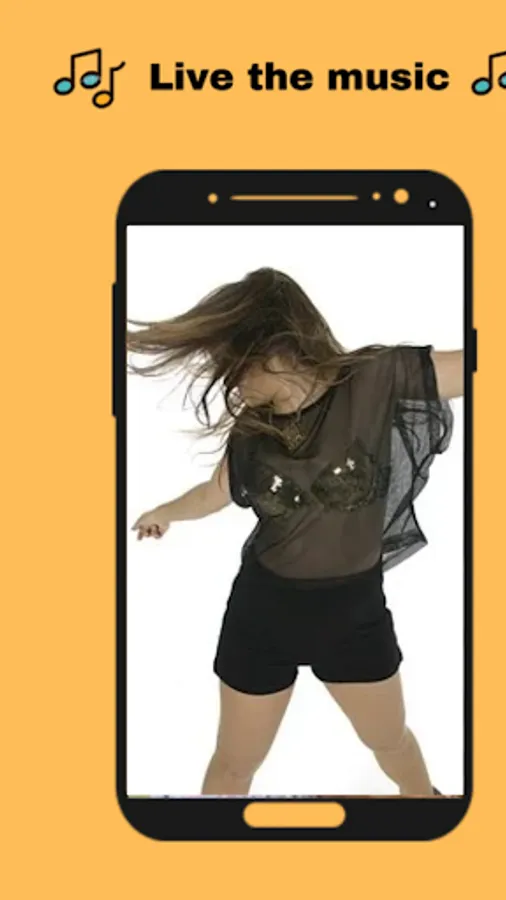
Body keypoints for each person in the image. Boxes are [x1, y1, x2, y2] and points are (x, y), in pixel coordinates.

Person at [127, 266, 463, 797]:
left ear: (275, 349)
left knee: (391, 741)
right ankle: (208, 842)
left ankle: (426, 806)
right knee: (234, 764)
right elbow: (215, 491)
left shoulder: (374, 380)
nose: (230, 382)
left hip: (354, 618)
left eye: (233, 365)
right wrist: (164, 511)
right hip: (263, 616)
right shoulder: (253, 427)